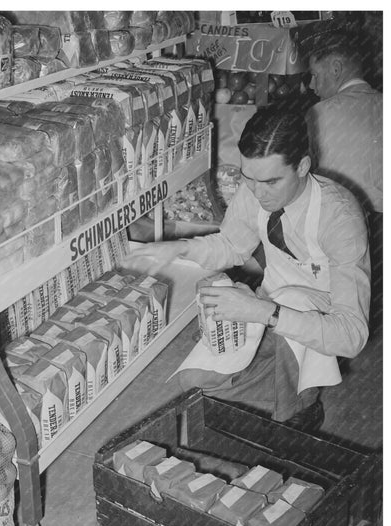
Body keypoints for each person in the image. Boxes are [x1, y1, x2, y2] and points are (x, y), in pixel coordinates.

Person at [123, 105, 371, 433]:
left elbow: (352, 336)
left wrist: (262, 312)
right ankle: (276, 388)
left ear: (302, 166)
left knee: (295, 300)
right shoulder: (255, 187)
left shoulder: (340, 219)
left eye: (270, 181)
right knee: (194, 382)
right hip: (266, 310)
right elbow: (231, 246)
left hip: (313, 329)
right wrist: (180, 248)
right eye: (249, 178)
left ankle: (299, 411)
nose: (257, 192)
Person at [305, 30, 382, 331]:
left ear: (336, 68)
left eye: (314, 75)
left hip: (344, 232)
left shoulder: (318, 114)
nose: (311, 86)